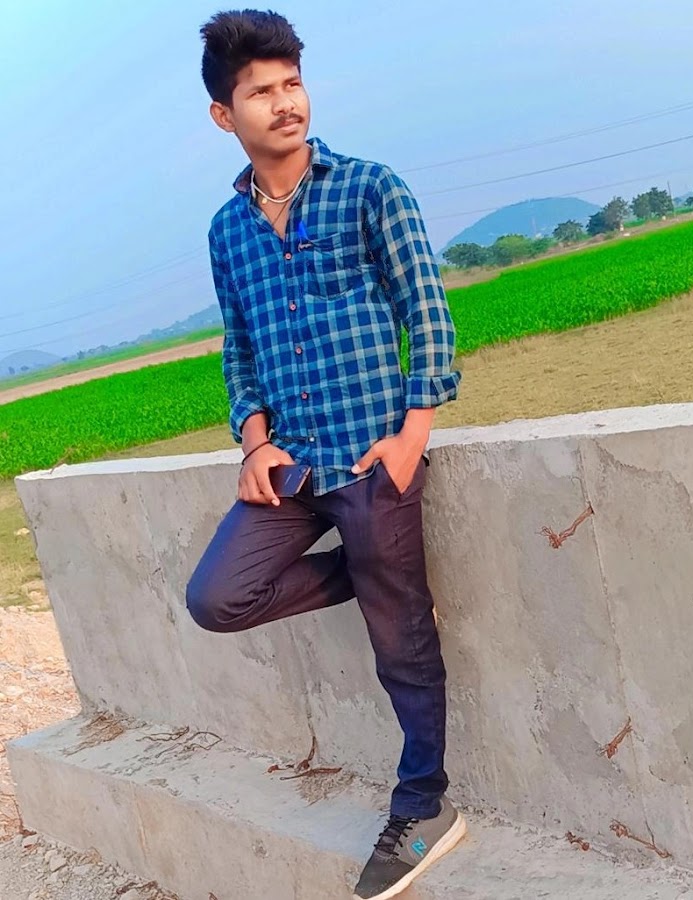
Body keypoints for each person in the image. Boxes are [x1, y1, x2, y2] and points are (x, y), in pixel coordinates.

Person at [185, 10, 466, 899]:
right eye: (261, 91)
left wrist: (412, 437)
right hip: (295, 466)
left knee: (402, 646)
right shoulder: (227, 231)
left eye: (293, 83)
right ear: (225, 114)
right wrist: (253, 440)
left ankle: (423, 807)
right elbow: (240, 347)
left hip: (374, 459)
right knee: (217, 598)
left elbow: (426, 310)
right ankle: (366, 571)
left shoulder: (371, 188)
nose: (285, 103)